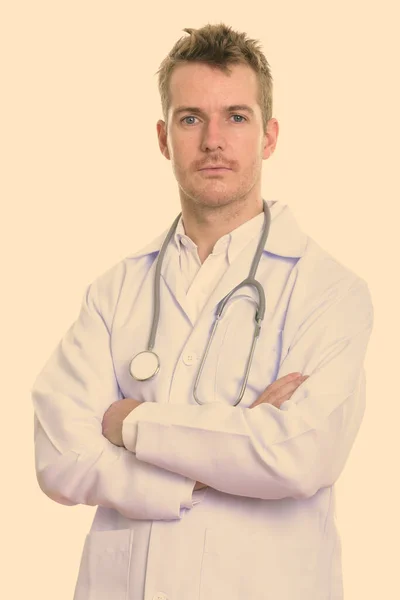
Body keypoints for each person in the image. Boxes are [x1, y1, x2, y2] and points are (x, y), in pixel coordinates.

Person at [32, 22, 374, 600]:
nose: (213, 139)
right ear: (165, 138)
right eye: (192, 118)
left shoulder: (328, 290)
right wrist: (217, 460)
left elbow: (297, 454)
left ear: (268, 136)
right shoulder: (116, 290)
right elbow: (59, 456)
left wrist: (127, 423)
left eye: (236, 117)